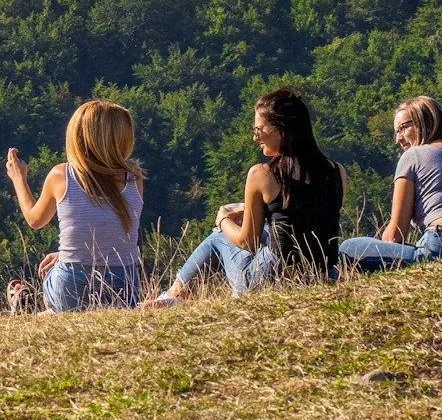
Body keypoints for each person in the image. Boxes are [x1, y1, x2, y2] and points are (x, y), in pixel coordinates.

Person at [147, 86, 345, 302]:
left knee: (218, 238)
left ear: (281, 129)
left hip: (270, 280)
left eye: (258, 129)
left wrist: (222, 219)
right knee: (267, 230)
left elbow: (246, 242)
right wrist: (251, 210)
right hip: (322, 274)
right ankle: (173, 296)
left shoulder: (262, 174)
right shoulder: (336, 171)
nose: (254, 137)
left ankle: (172, 296)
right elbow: (306, 218)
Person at [4, 99, 146, 312]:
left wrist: (18, 178)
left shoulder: (62, 175)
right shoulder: (134, 178)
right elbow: (111, 232)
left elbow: (35, 220)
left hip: (71, 282)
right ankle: (50, 313)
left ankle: (45, 308)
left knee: (52, 275)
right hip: (124, 289)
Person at [340, 94, 442, 271]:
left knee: (349, 247)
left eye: (403, 128)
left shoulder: (413, 155)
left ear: (426, 123)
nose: (398, 139)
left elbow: (395, 234)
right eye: (396, 132)